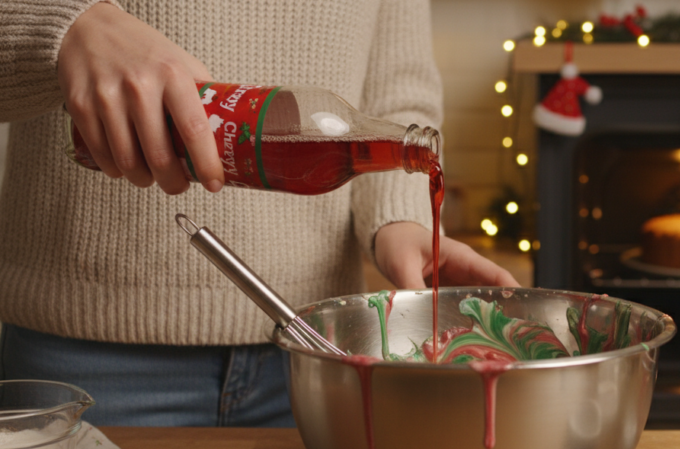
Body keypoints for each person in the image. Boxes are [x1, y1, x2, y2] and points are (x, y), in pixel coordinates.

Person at [0, 0, 518, 427]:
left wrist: (400, 222)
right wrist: (67, 29)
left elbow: (398, 88)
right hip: (86, 359)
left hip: (317, 353)